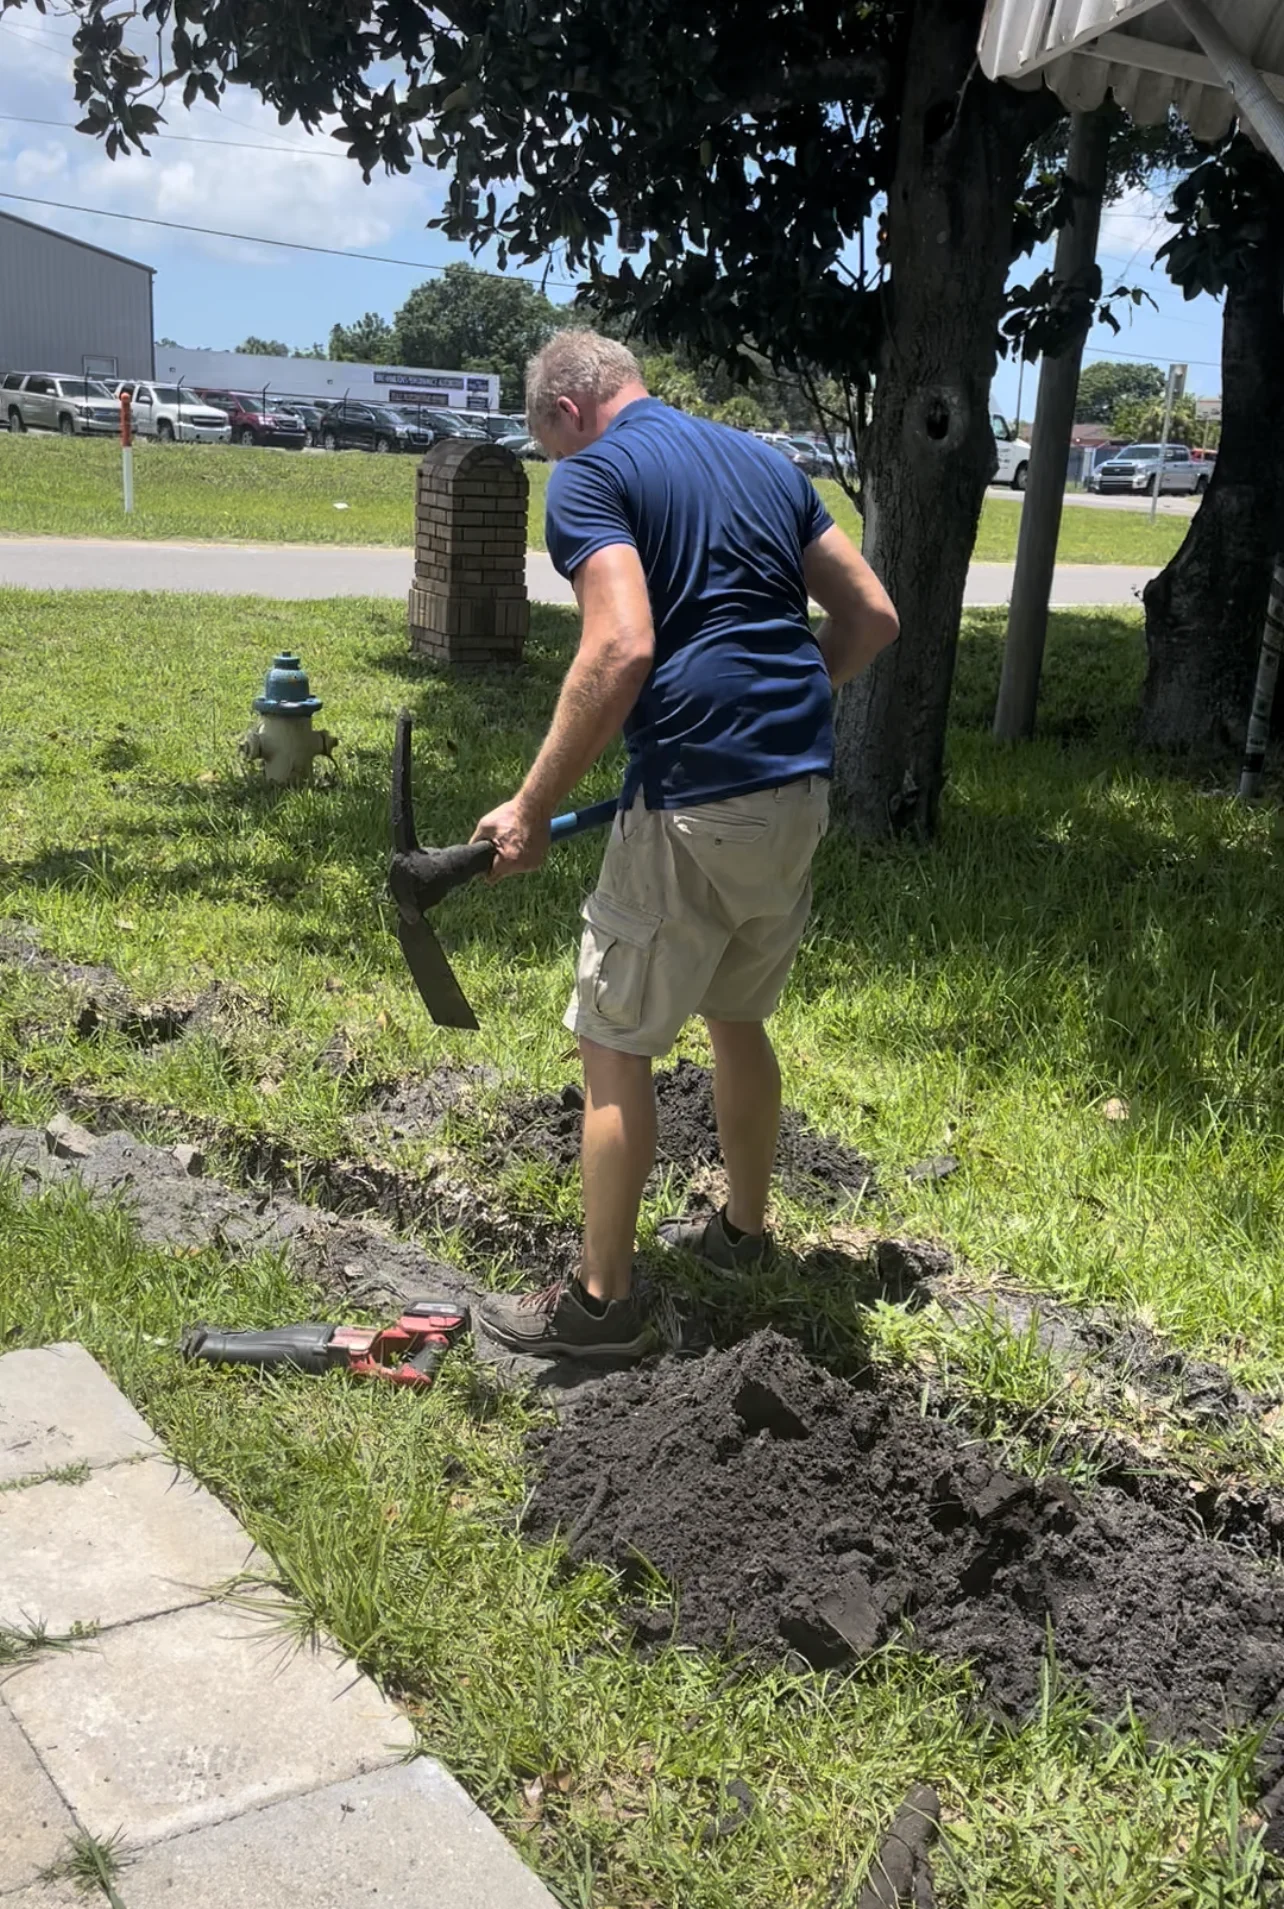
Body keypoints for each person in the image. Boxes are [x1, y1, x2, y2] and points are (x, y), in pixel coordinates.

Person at [473, 331, 898, 1360]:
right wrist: (776, 713)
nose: (555, 465)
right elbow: (873, 614)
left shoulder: (593, 477)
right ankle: (744, 1236)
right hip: (796, 786)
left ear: (568, 412)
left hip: (695, 799)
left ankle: (601, 1306)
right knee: (737, 1012)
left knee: (614, 1043)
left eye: (548, 444)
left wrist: (528, 808)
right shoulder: (764, 462)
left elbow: (620, 644)